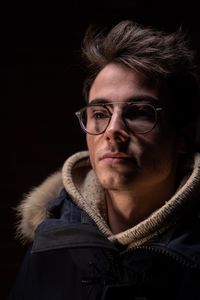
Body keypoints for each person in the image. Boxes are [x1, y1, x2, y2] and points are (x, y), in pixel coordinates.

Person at [10, 20, 200, 300]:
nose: (113, 131)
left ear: (182, 135)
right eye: (99, 113)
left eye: (139, 112)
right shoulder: (49, 245)